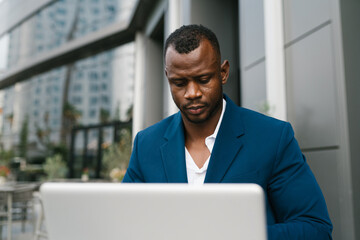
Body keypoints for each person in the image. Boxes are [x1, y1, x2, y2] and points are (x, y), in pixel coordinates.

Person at [123, 24, 332, 239]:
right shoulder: (146, 144)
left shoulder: (272, 137)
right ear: (168, 77)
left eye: (203, 80)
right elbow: (123, 223)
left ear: (223, 73)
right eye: (179, 83)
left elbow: (315, 229)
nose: (192, 93)